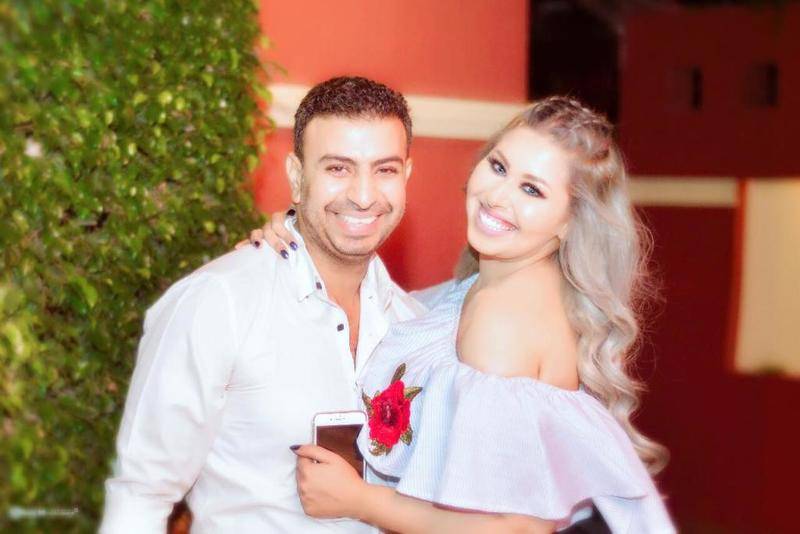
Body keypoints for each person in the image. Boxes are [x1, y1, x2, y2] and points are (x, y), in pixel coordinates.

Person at [247, 96, 676, 533]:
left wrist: (359, 501)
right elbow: (402, 313)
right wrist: (298, 232)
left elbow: (518, 528)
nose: (498, 197)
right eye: (499, 167)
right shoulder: (497, 284)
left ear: (570, 221)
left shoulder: (502, 322)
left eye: (532, 190)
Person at [100, 76, 430, 533]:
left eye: (385, 170)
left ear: (406, 176)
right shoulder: (219, 302)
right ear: (296, 176)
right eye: (338, 168)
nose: (363, 195)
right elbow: (140, 495)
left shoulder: (416, 327)